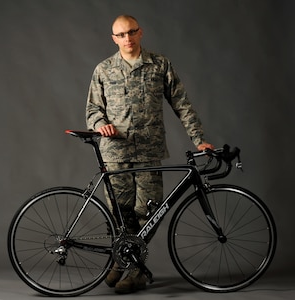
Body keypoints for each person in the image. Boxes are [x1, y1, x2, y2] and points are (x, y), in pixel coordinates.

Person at [86, 15, 214, 294]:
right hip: (115, 153)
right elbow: (93, 110)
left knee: (149, 211)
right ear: (114, 39)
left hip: (149, 151)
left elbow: (182, 104)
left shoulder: (160, 65)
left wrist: (199, 139)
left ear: (140, 32)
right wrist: (100, 125)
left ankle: (132, 268)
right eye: (120, 35)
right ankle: (125, 264)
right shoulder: (104, 70)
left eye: (131, 32)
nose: (127, 39)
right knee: (120, 214)